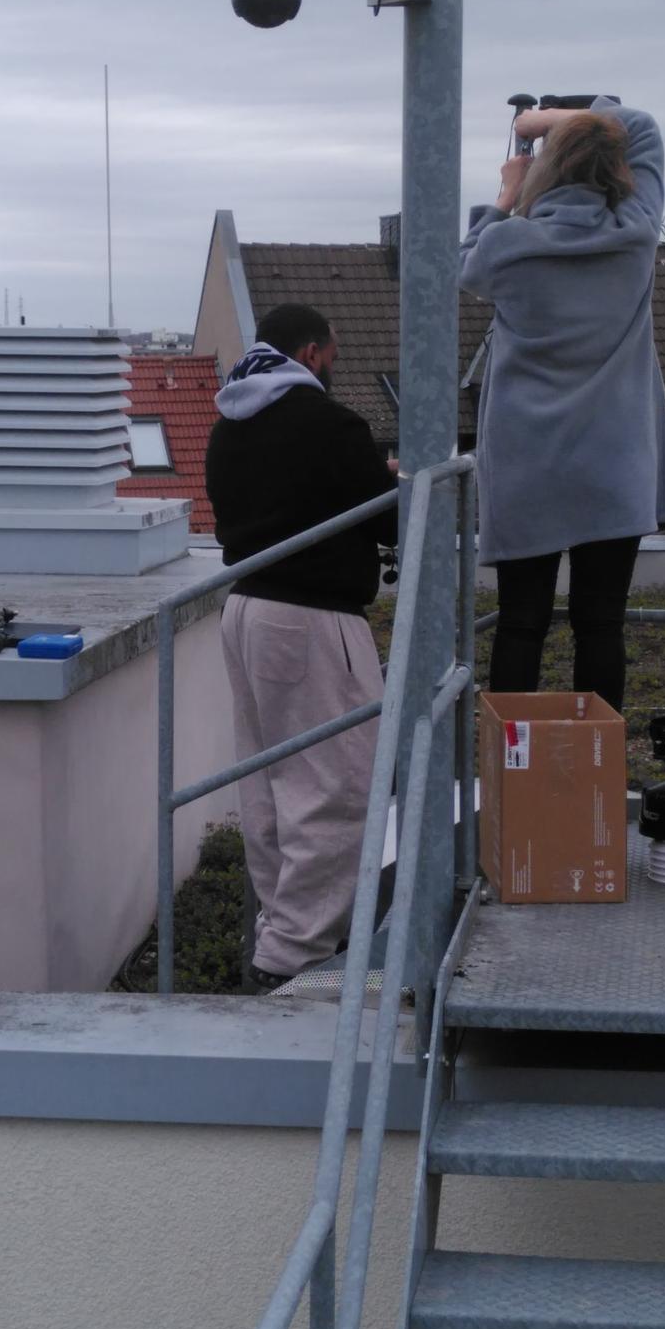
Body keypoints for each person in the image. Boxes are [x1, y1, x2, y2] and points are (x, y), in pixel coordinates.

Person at [460, 99, 665, 716]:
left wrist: (505, 194)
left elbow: (463, 266)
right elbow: (643, 124)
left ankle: (511, 775)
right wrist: (560, 118)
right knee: (601, 624)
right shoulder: (636, 232)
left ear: (544, 173)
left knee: (520, 624)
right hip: (614, 466)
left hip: (527, 467)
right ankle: (595, 770)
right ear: (620, 171)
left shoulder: (507, 246)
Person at [203, 304, 397, 985]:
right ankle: (295, 957)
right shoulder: (330, 424)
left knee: (269, 785)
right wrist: (391, 478)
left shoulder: (228, 423)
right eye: (335, 352)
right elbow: (394, 517)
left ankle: (276, 936)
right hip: (313, 619)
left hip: (246, 611)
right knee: (336, 785)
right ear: (312, 354)